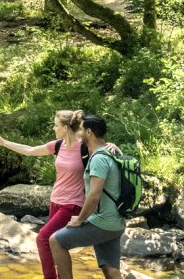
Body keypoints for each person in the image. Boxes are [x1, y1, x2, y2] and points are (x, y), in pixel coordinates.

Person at [0, 110, 108, 279]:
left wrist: (111, 146)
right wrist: (3, 142)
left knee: (42, 239)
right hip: (55, 202)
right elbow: (30, 150)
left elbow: (103, 150)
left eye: (56, 125)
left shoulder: (85, 148)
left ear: (66, 127)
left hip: (73, 204)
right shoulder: (58, 145)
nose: (54, 128)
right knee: (57, 246)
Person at [49, 114, 126, 279]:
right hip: (116, 222)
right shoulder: (111, 152)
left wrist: (80, 219)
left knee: (56, 241)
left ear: (89, 132)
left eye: (82, 129)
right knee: (110, 269)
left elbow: (94, 195)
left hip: (103, 222)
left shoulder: (99, 158)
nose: (79, 132)